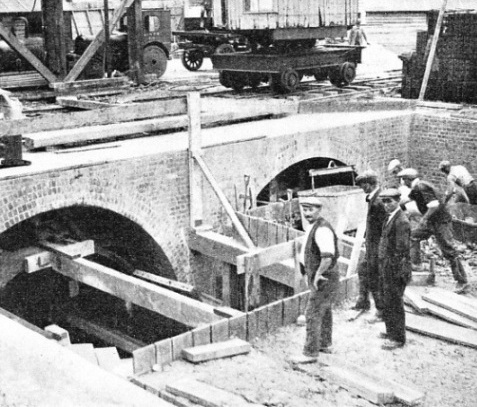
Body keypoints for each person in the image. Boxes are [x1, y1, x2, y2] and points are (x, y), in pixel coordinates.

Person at [397, 168, 469, 294]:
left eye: (404, 180)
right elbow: (406, 200)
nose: (403, 182)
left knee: (449, 249)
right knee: (413, 236)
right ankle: (416, 264)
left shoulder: (421, 187)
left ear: (408, 180)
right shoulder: (417, 187)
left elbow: (434, 205)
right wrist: (396, 207)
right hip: (432, 221)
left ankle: (462, 281)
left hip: (440, 221)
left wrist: (423, 219)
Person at [297, 196, 340, 361]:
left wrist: (318, 275)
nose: (307, 213)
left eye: (311, 209)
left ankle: (310, 353)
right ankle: (324, 343)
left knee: (312, 312)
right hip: (320, 275)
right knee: (325, 309)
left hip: (323, 277)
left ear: (319, 210)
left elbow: (327, 257)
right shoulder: (313, 226)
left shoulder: (322, 229)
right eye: (305, 210)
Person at [378, 188, 412, 350]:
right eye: (383, 201)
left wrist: (392, 269)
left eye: (389, 201)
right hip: (388, 266)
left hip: (396, 269)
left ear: (397, 201)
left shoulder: (401, 221)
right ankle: (391, 331)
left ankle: (397, 338)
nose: (386, 205)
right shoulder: (390, 218)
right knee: (388, 300)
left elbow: (401, 249)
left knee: (394, 302)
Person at [352, 170, 387, 323]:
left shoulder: (378, 202)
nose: (362, 189)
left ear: (370, 184)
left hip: (377, 247)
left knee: (375, 278)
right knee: (363, 270)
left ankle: (381, 311)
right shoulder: (374, 198)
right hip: (372, 245)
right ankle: (363, 301)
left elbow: (384, 228)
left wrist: (380, 250)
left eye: (363, 185)